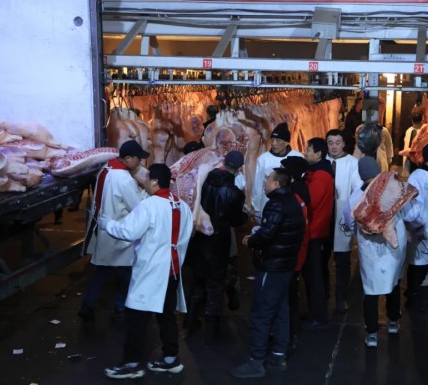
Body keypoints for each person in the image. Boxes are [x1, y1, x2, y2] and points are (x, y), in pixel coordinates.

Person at [100, 164, 193, 379]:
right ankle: (171, 359)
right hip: (172, 270)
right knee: (166, 315)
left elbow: (128, 231)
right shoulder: (182, 206)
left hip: (151, 270)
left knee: (136, 317)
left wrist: (107, 224)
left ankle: (132, 363)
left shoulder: (149, 206)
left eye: (147, 178)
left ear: (154, 181)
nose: (145, 182)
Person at [231, 168, 305, 378]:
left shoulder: (276, 204)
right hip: (286, 265)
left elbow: (268, 234)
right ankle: (279, 355)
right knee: (281, 309)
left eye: (267, 179)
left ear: (277, 184)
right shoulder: (293, 201)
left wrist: (251, 241)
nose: (264, 182)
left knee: (262, 312)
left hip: (272, 266)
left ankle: (256, 360)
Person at [79, 140, 149, 321]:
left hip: (104, 228)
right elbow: (137, 206)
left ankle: (88, 305)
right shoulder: (124, 179)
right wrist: (147, 191)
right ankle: (121, 306)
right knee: (128, 272)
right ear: (128, 158)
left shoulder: (106, 168)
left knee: (102, 270)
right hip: (119, 231)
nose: (140, 162)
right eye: (138, 158)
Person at [185, 151, 248, 342]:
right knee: (215, 286)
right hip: (219, 243)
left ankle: (191, 321)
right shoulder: (234, 193)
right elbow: (235, 220)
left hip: (199, 239)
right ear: (238, 169)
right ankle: (211, 330)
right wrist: (245, 216)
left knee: (197, 283)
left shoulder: (204, 181)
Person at [343, 157, 407, 348]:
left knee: (371, 289)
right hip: (393, 246)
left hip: (370, 249)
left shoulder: (355, 197)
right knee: (393, 283)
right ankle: (393, 322)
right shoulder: (393, 187)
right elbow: (409, 213)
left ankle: (372, 334)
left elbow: (349, 222)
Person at [325, 129, 362, 313]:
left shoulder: (352, 163)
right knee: (321, 258)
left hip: (341, 215)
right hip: (324, 217)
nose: (334, 147)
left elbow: (357, 189)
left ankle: (341, 297)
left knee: (342, 259)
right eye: (330, 143)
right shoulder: (322, 161)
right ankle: (323, 294)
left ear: (344, 144)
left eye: (337, 143)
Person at [404, 143, 428, 311]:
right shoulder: (418, 176)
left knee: (423, 264)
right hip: (420, 229)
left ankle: (413, 292)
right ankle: (413, 297)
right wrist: (417, 226)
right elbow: (412, 205)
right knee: (417, 265)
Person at [302, 137, 335, 330]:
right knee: (311, 273)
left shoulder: (321, 175)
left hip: (315, 231)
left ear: (318, 154)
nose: (305, 152)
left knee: (314, 274)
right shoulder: (316, 171)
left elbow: (311, 202)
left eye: (308, 149)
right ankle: (314, 311)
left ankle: (318, 314)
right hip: (313, 230)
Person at [280, 156, 310, 348]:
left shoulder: (294, 198)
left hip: (290, 254)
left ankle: (288, 335)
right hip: (295, 252)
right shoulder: (299, 193)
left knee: (287, 295)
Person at [251, 122, 302, 222]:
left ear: (286, 143)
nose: (274, 143)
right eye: (272, 140)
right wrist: (256, 207)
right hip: (267, 205)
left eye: (278, 140)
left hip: (291, 207)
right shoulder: (263, 159)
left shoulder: (298, 157)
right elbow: (257, 184)